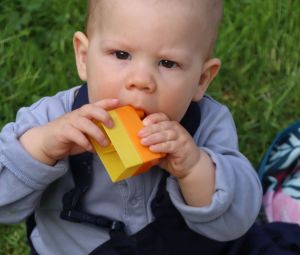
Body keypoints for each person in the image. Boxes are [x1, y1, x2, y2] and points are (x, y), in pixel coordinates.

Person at [0, 0, 262, 254]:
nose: (141, 81)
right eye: (121, 54)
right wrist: (42, 149)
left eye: (167, 63)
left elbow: (236, 222)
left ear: (201, 80)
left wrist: (194, 168)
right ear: (83, 57)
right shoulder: (51, 120)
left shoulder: (208, 124)